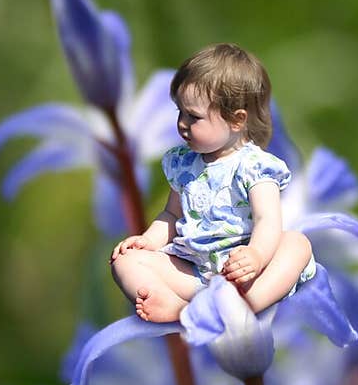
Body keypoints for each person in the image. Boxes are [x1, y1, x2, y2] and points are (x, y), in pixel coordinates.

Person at [111, 43, 315, 323]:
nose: (182, 124)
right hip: (194, 272)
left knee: (297, 244)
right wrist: (147, 241)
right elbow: (171, 215)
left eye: (193, 116)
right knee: (125, 262)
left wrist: (255, 255)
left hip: (246, 275)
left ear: (237, 120)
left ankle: (247, 306)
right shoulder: (183, 164)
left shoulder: (256, 166)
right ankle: (182, 309)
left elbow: (267, 220)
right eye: (179, 112)